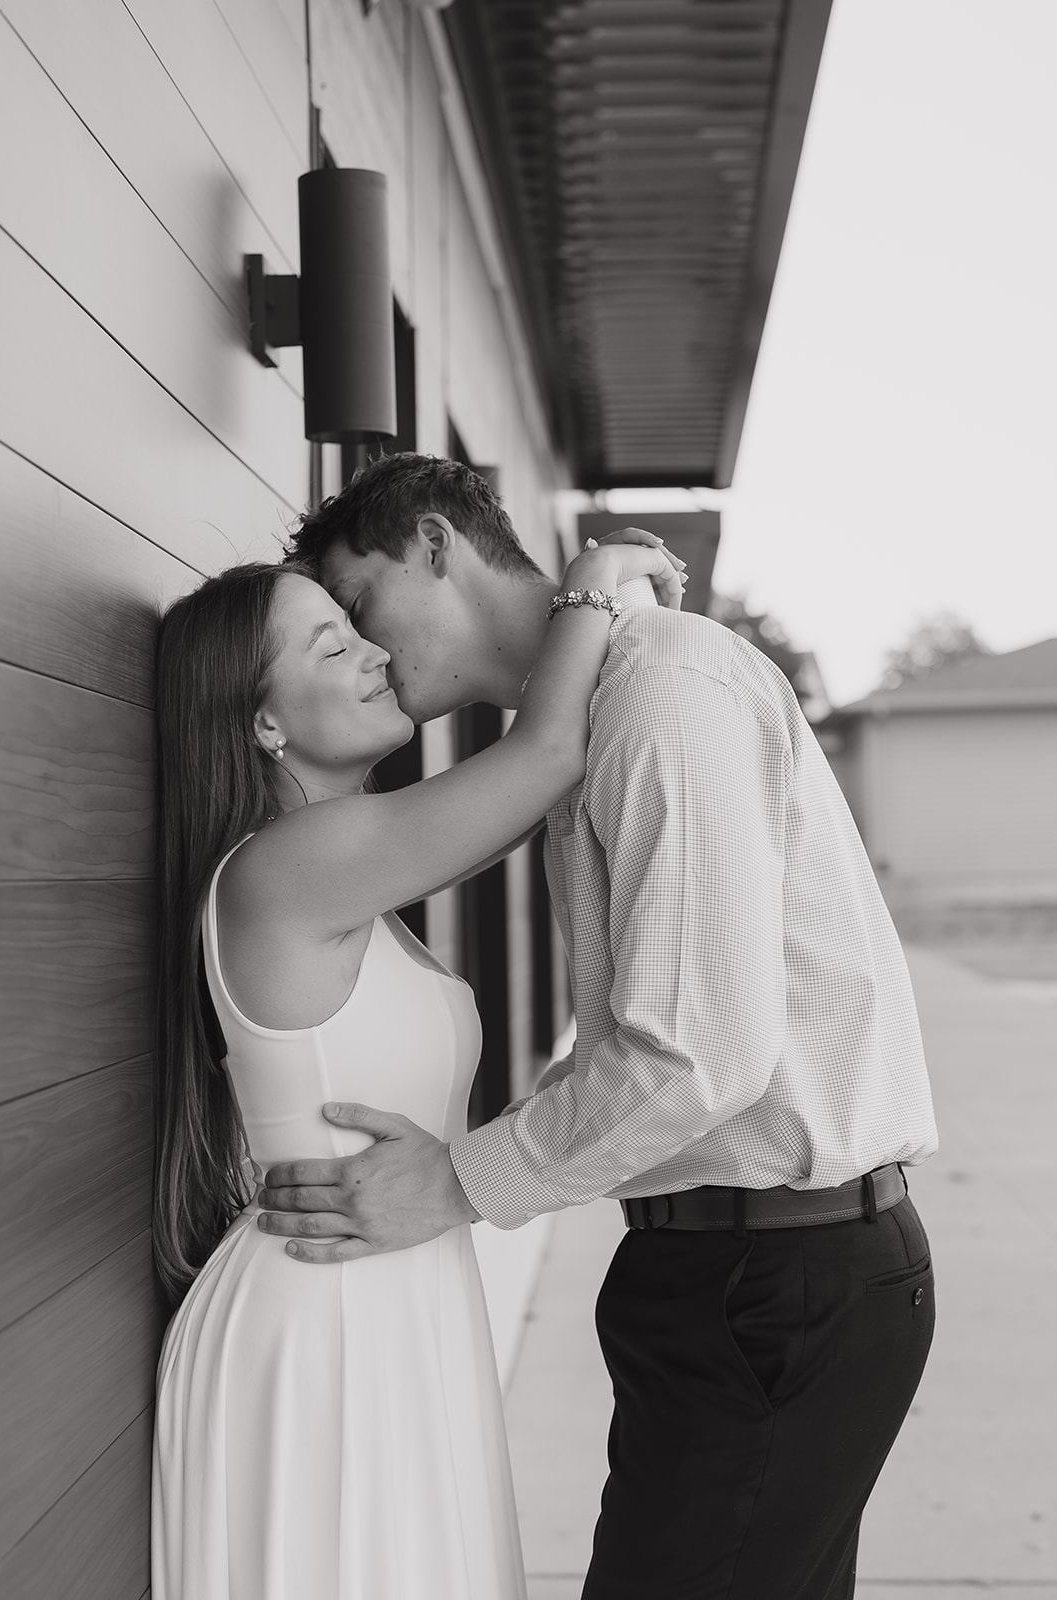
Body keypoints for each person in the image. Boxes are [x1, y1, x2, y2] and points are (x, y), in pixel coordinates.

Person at [259, 451, 939, 1600]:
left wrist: (458, 1181)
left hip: (773, 1275)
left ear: (434, 544)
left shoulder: (659, 692)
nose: (368, 650)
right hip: (735, 1270)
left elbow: (693, 1053)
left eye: (360, 605)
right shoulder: (600, 702)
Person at [149, 533, 682, 1600]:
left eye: (357, 629)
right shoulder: (284, 868)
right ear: (261, 719)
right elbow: (542, 757)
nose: (374, 657)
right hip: (324, 1324)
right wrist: (596, 574)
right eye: (328, 643)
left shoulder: (351, 870)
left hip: (386, 1298)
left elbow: (522, 792)